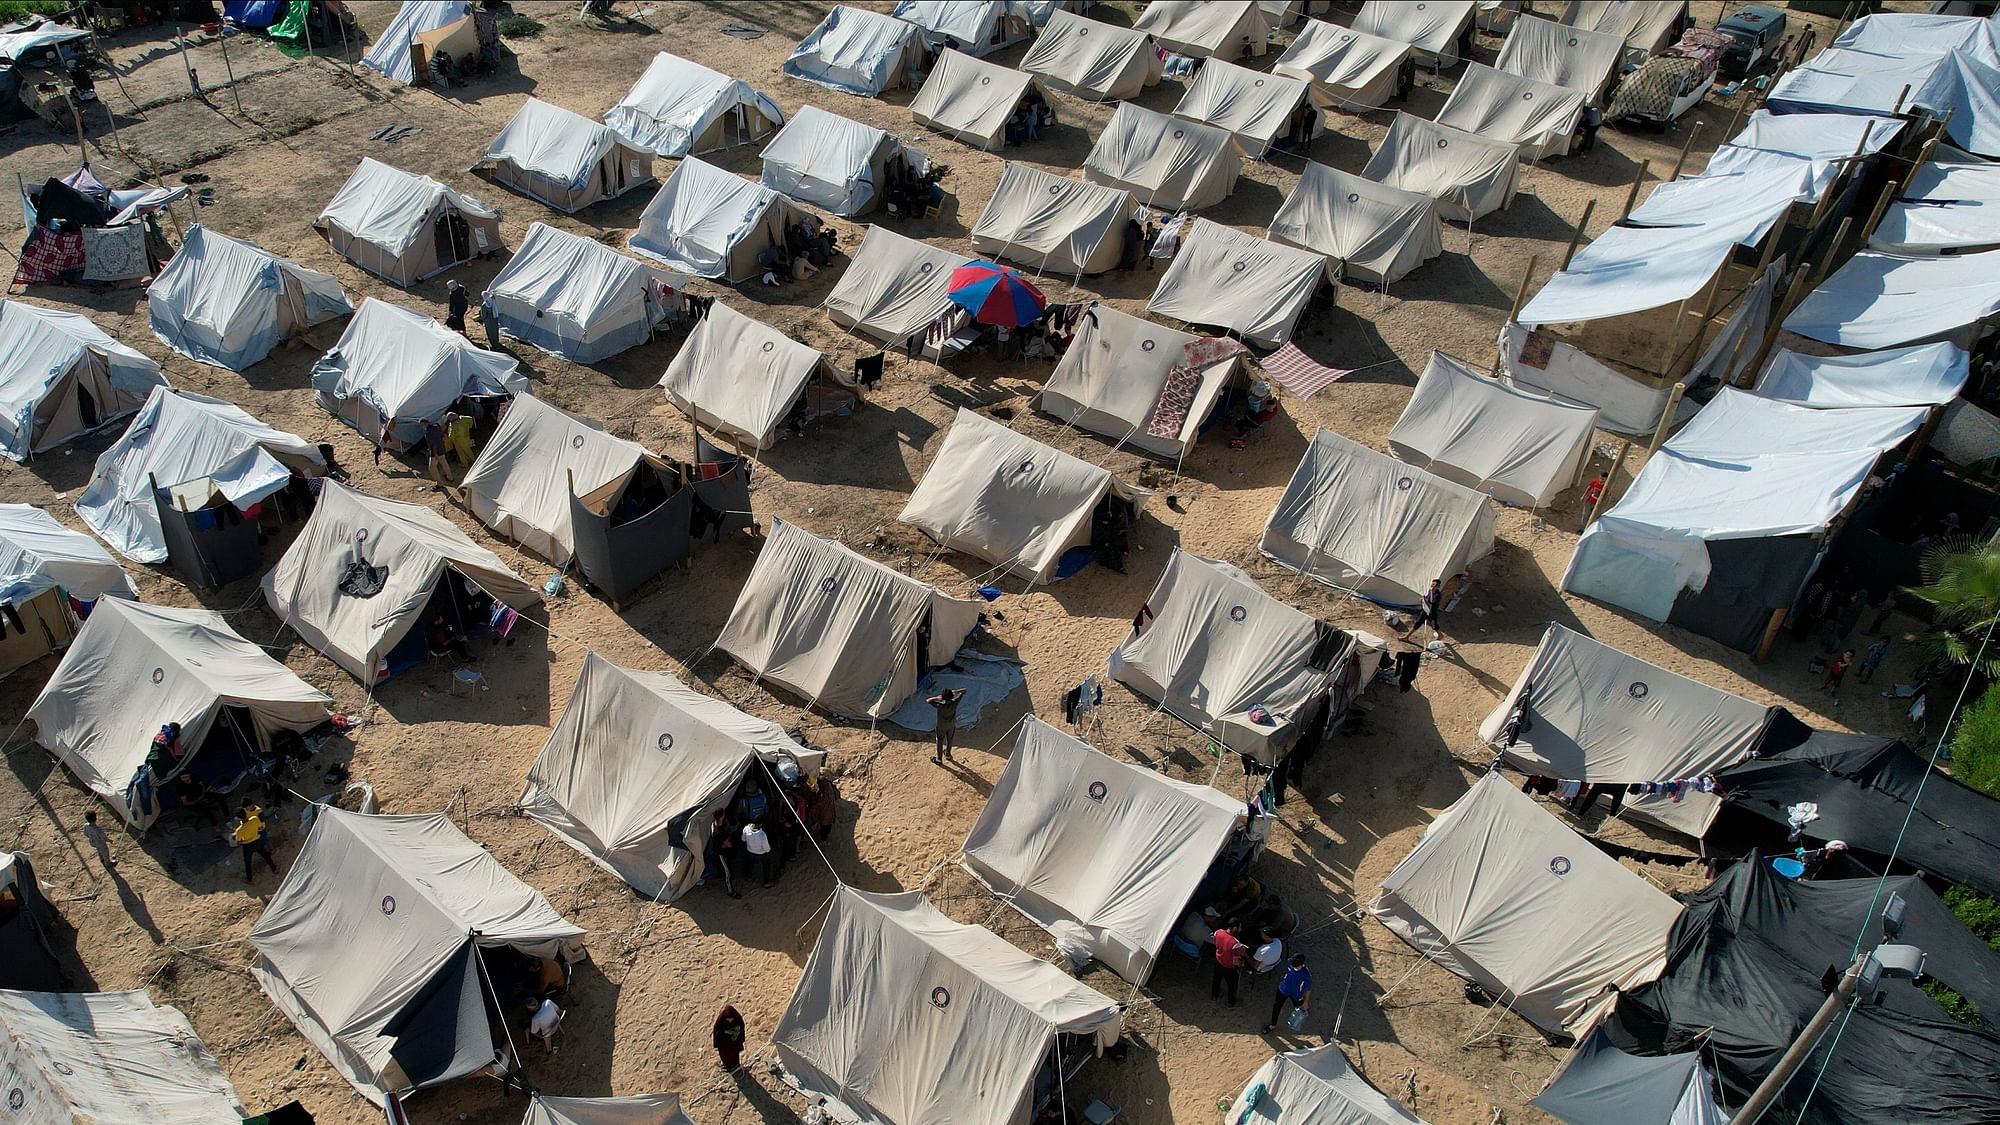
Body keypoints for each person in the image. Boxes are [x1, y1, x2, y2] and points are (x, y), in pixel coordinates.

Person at [1266, 953, 1312, 1033]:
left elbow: (1308, 989)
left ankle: (1296, 1022)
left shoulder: (1306, 975)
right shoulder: (1289, 962)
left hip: (1296, 994)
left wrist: (1306, 1001)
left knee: (1299, 1008)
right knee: (1277, 1006)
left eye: (1295, 966)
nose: (1293, 967)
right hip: (1283, 989)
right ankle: (1273, 1024)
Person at [235, 800, 277, 883]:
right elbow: (260, 828)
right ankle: (274, 869)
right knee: (266, 856)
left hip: (247, 846)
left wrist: (244, 839)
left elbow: (238, 842)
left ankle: (249, 880)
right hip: (257, 841)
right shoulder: (254, 819)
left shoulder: (239, 830)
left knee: (248, 863)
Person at [927, 687, 967, 764]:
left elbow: (928, 700)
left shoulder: (940, 706)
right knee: (950, 739)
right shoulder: (955, 703)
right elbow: (964, 690)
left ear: (943, 698)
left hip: (941, 725)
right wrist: (954, 691)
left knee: (940, 740)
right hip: (951, 724)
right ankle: (948, 754)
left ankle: (939, 759)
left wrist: (938, 697)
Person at [1211, 924, 1245, 1006]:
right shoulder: (1235, 943)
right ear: (1235, 928)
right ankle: (1231, 1002)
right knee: (1232, 985)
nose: (1240, 929)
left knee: (1216, 979)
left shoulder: (1218, 932)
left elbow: (1214, 942)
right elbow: (1236, 961)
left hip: (1218, 961)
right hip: (1229, 968)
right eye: (1239, 928)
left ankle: (1214, 996)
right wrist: (1241, 963)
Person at [741, 819, 775, 887]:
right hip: (761, 854)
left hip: (750, 852)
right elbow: (767, 849)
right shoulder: (762, 835)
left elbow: (743, 839)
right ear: (761, 824)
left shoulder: (746, 828)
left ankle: (748, 877)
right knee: (766, 866)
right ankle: (766, 882)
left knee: (750, 864)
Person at [713, 1005, 746, 1071]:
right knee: (725, 1055)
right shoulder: (720, 1020)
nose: (730, 1021)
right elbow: (717, 1032)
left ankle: (735, 1065)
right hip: (724, 1042)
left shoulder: (738, 1018)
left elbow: (741, 1028)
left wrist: (737, 1032)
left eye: (731, 1019)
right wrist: (727, 1032)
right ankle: (727, 1065)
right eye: (728, 1019)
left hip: (734, 1042)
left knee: (735, 1054)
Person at [421, 418, 451, 486]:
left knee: (432, 468)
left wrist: (435, 454)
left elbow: (433, 444)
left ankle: (440, 483)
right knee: (444, 463)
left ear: (424, 423)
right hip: (442, 448)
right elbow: (442, 436)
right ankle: (450, 477)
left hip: (435, 452)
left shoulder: (428, 432)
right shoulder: (436, 426)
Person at [810, 773, 839, 842]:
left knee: (824, 829)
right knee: (828, 827)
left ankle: (824, 841)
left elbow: (816, 804)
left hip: (824, 816)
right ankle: (827, 836)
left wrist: (813, 793)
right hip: (831, 813)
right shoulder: (829, 790)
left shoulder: (822, 795)